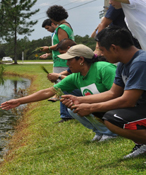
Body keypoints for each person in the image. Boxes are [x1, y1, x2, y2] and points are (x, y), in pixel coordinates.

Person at [0, 44, 117, 142]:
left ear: (81, 59)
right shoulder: (76, 76)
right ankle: (101, 132)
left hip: (117, 105)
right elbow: (48, 91)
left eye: (69, 60)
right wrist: (19, 101)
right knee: (73, 108)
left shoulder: (103, 68)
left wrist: (86, 102)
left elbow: (117, 94)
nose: (67, 64)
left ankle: (111, 133)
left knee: (78, 104)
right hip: (102, 107)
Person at [61, 26, 146, 158]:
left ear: (113, 48)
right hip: (141, 107)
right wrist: (79, 100)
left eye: (102, 50)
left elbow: (128, 101)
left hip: (139, 106)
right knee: (104, 112)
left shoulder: (140, 62)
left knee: (112, 119)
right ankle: (142, 144)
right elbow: (113, 93)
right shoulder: (123, 63)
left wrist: (90, 107)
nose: (100, 54)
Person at [41, 5, 75, 122]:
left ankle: (66, 115)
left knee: (61, 86)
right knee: (63, 85)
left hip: (62, 60)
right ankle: (67, 113)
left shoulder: (61, 28)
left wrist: (48, 48)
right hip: (61, 60)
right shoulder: (66, 26)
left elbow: (62, 44)